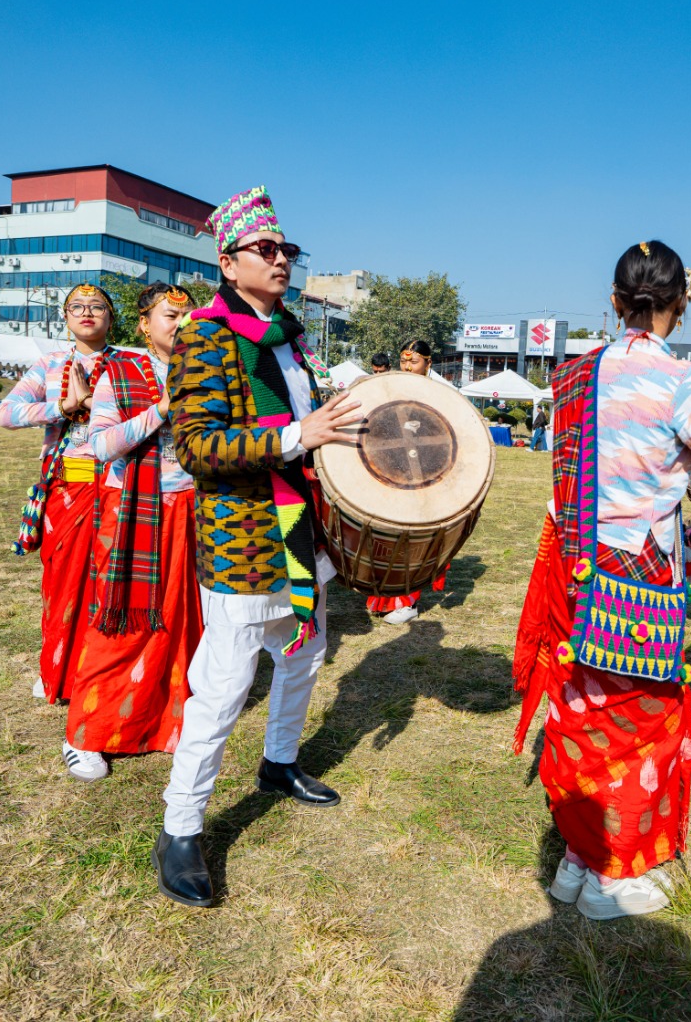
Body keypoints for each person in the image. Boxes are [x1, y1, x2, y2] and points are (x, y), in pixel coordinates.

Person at [513, 240, 691, 920]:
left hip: (575, 563)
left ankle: (575, 857)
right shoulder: (684, 383)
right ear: (682, 303)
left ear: (615, 302)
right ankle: (611, 875)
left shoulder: (571, 376)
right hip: (639, 570)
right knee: (639, 719)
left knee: (581, 709)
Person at [153, 185, 361, 908]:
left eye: (286, 249)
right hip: (241, 537)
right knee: (223, 687)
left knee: (304, 656)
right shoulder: (206, 336)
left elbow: (310, 427)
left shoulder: (291, 337)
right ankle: (181, 827)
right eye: (265, 249)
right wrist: (297, 435)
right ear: (228, 261)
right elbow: (197, 446)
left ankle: (278, 763)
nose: (281, 260)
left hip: (298, 529)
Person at [61, 284, 202, 782]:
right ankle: (85, 734)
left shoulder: (204, 371)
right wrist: (162, 409)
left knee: (181, 620)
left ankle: (166, 722)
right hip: (133, 511)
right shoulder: (118, 372)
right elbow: (100, 446)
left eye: (188, 317)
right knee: (121, 621)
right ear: (144, 324)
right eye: (170, 316)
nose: (181, 325)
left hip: (191, 508)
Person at [0, 282, 116, 704]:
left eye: (97, 306)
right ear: (65, 318)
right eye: (76, 306)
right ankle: (57, 667)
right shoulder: (49, 365)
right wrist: (64, 407)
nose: (86, 312)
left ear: (111, 318)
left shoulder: (130, 364)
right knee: (62, 582)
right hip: (68, 487)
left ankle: (98, 669)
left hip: (117, 483)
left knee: (108, 581)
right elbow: (6, 413)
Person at [364, 339, 452, 625]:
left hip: (426, 475)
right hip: (394, 472)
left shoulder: (440, 395)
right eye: (403, 361)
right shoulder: (391, 388)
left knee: (416, 542)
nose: (407, 367)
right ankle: (385, 597)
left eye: (413, 361)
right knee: (388, 538)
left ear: (428, 362)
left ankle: (408, 602)